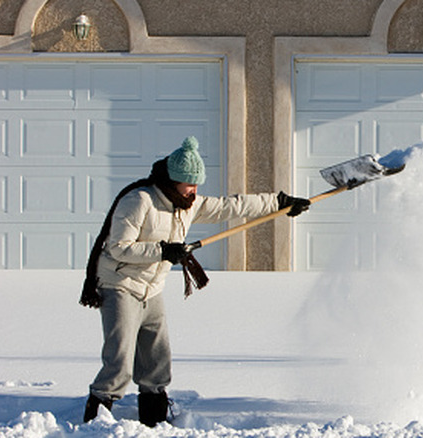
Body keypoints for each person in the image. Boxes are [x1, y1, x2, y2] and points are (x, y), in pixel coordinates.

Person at [79, 136, 310, 427]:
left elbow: (231, 206)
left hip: (152, 288)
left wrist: (279, 203)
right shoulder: (139, 201)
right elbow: (118, 248)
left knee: (156, 357)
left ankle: (154, 418)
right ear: (173, 181)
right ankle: (95, 419)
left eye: (197, 184)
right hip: (120, 284)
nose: (195, 190)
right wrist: (163, 250)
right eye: (190, 184)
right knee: (119, 359)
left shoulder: (187, 204)